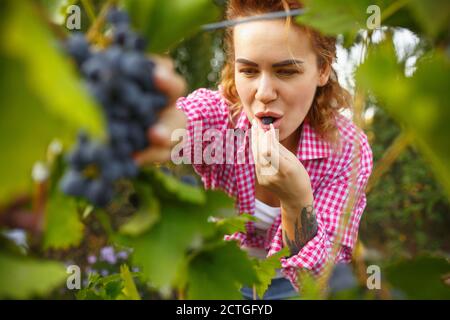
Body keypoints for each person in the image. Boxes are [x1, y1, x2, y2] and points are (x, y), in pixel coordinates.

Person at [135, 0, 373, 300]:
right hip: (220, 279)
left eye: (285, 71)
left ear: (322, 69)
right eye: (248, 71)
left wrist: (297, 203)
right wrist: (151, 124)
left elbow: (321, 281)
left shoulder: (347, 150)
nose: (263, 93)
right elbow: (179, 124)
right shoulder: (221, 116)